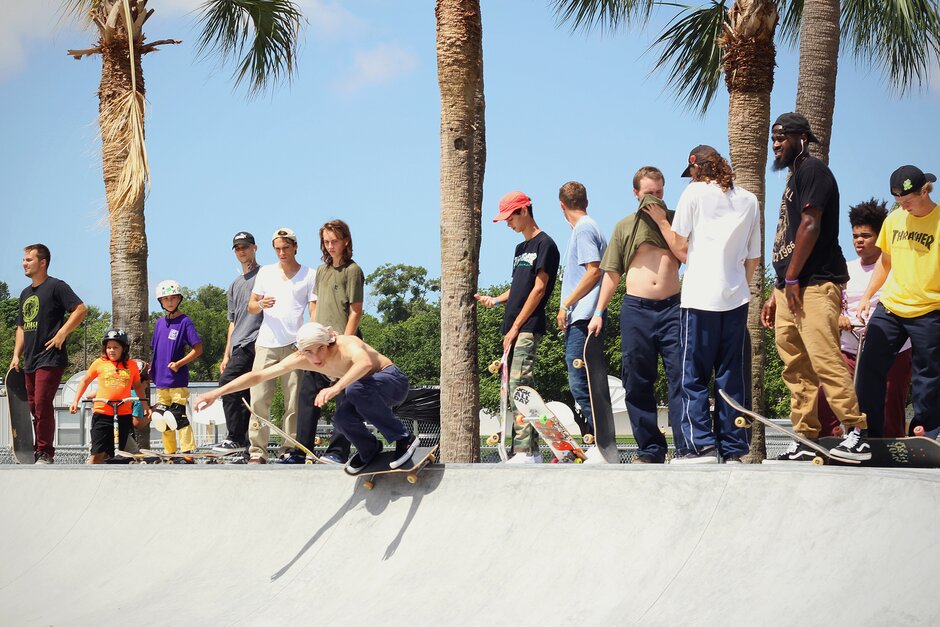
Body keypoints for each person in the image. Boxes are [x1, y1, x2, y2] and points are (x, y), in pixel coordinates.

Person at [761, 112, 870, 462]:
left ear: (801, 138)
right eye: (773, 139)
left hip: (815, 284)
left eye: (782, 137)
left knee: (825, 360)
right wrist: (776, 289)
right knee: (795, 367)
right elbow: (789, 238)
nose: (776, 144)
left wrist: (791, 279)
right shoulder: (795, 177)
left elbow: (810, 224)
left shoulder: (813, 171)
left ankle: (856, 431)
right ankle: (805, 436)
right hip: (789, 287)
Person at [646, 146, 761, 463]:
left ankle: (700, 446)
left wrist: (662, 223)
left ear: (696, 169)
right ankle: (733, 447)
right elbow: (753, 258)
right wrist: (735, 284)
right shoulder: (749, 200)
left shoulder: (693, 194)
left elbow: (681, 246)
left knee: (692, 376)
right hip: (735, 298)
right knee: (729, 376)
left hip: (699, 298)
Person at [194, 322, 418, 474]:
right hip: (366, 393)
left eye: (319, 350)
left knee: (353, 390)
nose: (315, 358)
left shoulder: (348, 343)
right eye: (307, 352)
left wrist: (335, 387)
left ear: (328, 342)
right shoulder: (303, 357)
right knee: (341, 418)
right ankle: (369, 449)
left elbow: (366, 364)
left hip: (392, 382)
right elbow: (259, 375)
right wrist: (216, 392)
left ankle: (403, 438)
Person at [589, 167, 686, 464]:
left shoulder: (677, 221)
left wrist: (663, 221)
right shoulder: (624, 226)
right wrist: (598, 311)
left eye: (659, 192)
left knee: (681, 377)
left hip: (673, 307)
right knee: (636, 379)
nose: (654, 199)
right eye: (648, 194)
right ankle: (650, 449)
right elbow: (611, 274)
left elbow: (686, 256)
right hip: (637, 309)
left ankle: (687, 447)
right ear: (636, 194)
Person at [474, 191, 560, 463]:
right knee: (523, 388)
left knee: (518, 385)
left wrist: (516, 327)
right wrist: (496, 301)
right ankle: (531, 452)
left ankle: (523, 450)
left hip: (527, 326)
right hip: (512, 327)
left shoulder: (546, 244)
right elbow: (519, 287)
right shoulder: (520, 249)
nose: (508, 224)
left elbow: (538, 289)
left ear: (524, 211)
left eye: (510, 218)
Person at [855, 166, 940, 438]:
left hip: (930, 308)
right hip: (891, 305)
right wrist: (868, 296)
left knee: (928, 375)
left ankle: (926, 430)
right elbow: (885, 262)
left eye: (908, 201)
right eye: (898, 201)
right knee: (870, 365)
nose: (904, 207)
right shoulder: (894, 220)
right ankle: (869, 431)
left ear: (924, 190)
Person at [817, 199, 912, 437]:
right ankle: (830, 440)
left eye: (866, 236)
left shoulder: (897, 269)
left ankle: (889, 446)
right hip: (850, 348)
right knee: (828, 393)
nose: (859, 241)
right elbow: (833, 301)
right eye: (855, 236)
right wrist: (839, 316)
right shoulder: (844, 269)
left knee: (889, 402)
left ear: (881, 238)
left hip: (892, 351)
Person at [293, 220, 364, 465]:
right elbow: (315, 305)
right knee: (307, 397)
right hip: (318, 343)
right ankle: (299, 451)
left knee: (345, 399)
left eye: (335, 241)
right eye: (326, 241)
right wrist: (309, 335)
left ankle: (337, 452)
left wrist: (347, 340)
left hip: (344, 342)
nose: (331, 246)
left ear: (346, 241)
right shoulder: (321, 271)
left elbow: (356, 310)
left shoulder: (353, 271)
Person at [10, 243, 87, 464]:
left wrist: (63, 332)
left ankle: (45, 452)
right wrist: (16, 355)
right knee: (34, 407)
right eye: (24, 260)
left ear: (42, 262)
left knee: (43, 404)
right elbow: (22, 327)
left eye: (29, 260)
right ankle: (36, 450)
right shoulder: (25, 293)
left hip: (50, 357)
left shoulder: (56, 286)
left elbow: (80, 309)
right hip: (29, 359)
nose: (24, 263)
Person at [246, 227, 317, 464]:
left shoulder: (309, 274)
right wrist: (261, 303)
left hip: (295, 345)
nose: (282, 252)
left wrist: (310, 341)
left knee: (294, 400)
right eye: (277, 248)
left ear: (295, 247)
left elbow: (313, 311)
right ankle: (257, 451)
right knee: (258, 399)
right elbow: (251, 306)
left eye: (286, 247)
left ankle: (290, 448)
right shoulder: (265, 272)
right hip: (266, 343)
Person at [555, 182, 607, 440]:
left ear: (562, 205)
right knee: (586, 380)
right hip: (587, 316)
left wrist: (566, 305)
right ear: (585, 201)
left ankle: (601, 438)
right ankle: (598, 437)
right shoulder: (589, 227)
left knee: (579, 381)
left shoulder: (584, 229)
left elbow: (593, 271)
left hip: (584, 317)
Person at [211, 231, 263, 460]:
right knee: (244, 392)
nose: (242, 251)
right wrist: (226, 355)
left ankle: (235, 437)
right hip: (238, 344)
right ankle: (243, 446)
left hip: (257, 340)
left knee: (228, 384)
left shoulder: (265, 276)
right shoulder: (234, 285)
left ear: (254, 248)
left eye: (245, 247)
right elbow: (232, 322)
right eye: (238, 248)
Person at [68, 329, 150, 464]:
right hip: (102, 413)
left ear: (124, 349)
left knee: (117, 452)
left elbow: (137, 386)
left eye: (115, 347)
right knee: (97, 453)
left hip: (124, 414)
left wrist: (145, 406)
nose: (111, 350)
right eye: (109, 347)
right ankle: (92, 477)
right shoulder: (99, 363)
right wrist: (75, 400)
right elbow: (85, 381)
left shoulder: (131, 365)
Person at [151, 279, 203, 456]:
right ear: (160, 301)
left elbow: (198, 349)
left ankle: (188, 451)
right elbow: (157, 350)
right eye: (166, 299)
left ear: (179, 299)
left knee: (177, 416)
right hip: (160, 381)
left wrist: (180, 363)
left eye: (173, 298)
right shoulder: (159, 324)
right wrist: (152, 368)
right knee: (161, 418)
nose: (170, 302)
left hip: (177, 380)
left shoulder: (185, 321)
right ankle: (170, 453)